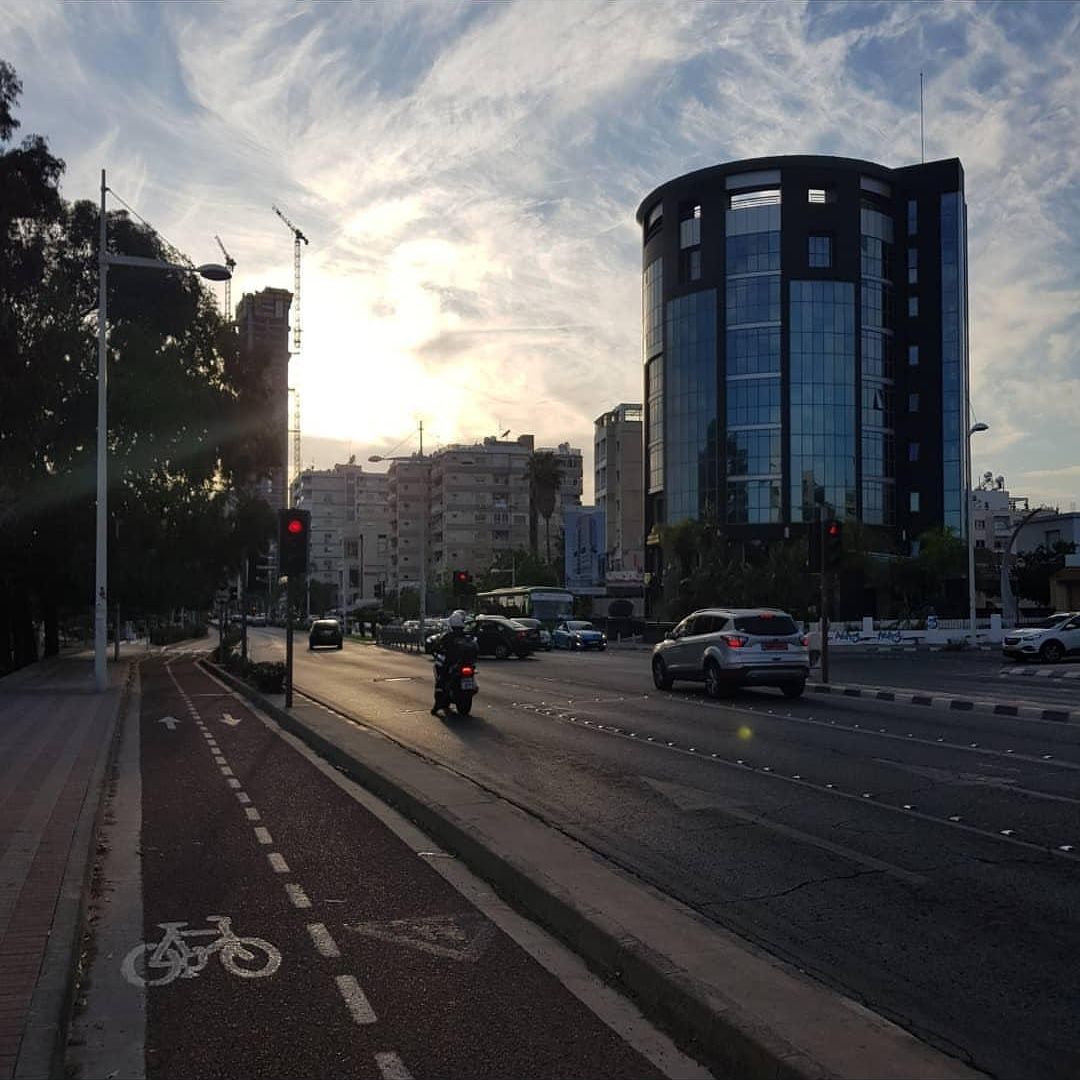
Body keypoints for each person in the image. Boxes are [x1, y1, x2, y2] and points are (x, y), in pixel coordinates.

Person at [430, 610, 477, 715]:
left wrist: (434, 649)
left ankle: (436, 706)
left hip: (452, 663)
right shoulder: (466, 636)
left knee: (441, 681)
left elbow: (438, 645)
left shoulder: (448, 636)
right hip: (466, 663)